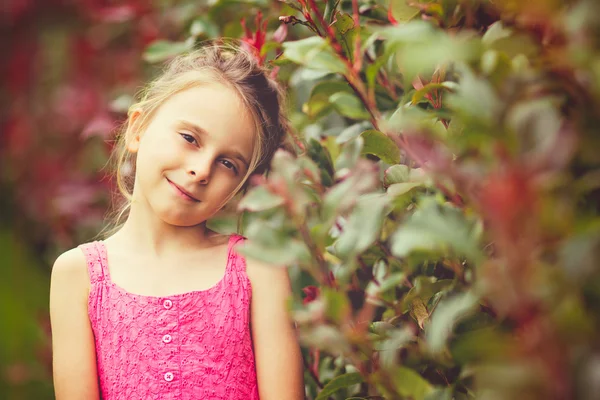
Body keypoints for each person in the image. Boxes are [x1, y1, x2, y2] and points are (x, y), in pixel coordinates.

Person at [49, 42, 305, 400]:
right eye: (190, 139)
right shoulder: (78, 276)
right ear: (138, 128)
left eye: (228, 164)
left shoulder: (256, 269)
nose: (201, 170)